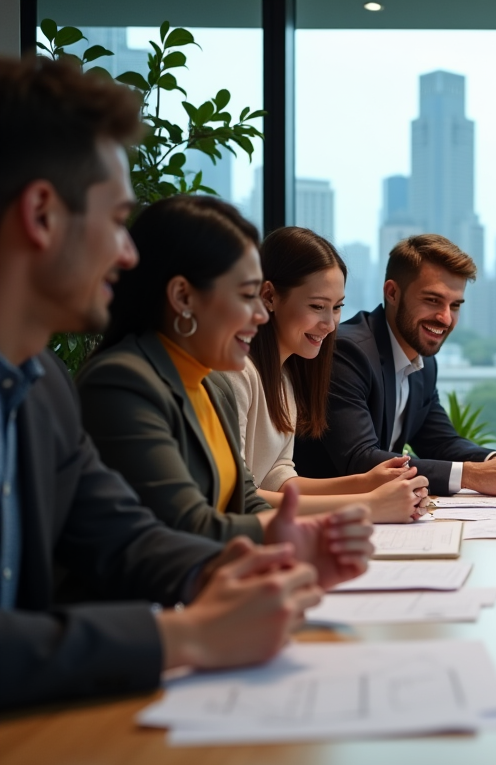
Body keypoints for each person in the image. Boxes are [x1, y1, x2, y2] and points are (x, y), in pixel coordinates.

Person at [0, 56, 371, 711]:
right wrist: (183, 636)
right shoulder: (116, 381)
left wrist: (249, 557)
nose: (128, 252)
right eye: (117, 219)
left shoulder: (43, 385)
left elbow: (124, 536)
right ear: (42, 214)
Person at [76, 196, 425, 539]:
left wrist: (358, 497)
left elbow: (247, 502)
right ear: (182, 297)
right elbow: (196, 525)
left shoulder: (211, 386)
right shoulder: (128, 382)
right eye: (246, 296)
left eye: (335, 308)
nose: (259, 315)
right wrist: (362, 506)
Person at [294, 234, 496, 497]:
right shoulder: (348, 352)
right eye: (433, 300)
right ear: (392, 293)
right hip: (322, 516)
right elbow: (360, 460)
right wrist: (471, 476)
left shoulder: (423, 363)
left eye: (455, 305)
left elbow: (440, 442)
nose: (446, 318)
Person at [227, 225, 429, 522]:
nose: (331, 324)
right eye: (317, 306)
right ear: (268, 295)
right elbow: (238, 497)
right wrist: (367, 504)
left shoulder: (284, 377)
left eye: (336, 308)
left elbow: (279, 480)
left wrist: (366, 483)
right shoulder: (237, 373)